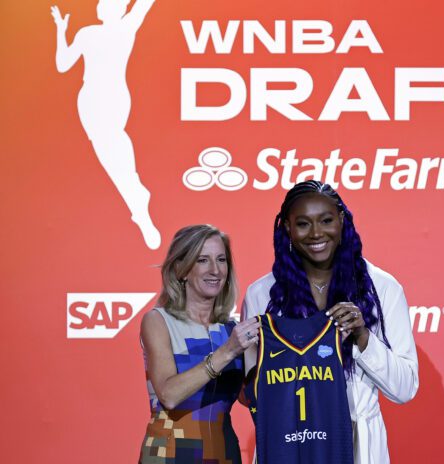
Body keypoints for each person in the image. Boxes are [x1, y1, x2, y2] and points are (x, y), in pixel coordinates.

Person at [243, 181, 419, 464]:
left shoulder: (383, 288)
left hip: (358, 444)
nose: (316, 233)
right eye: (303, 223)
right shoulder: (262, 293)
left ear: (342, 221)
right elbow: (253, 393)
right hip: (289, 443)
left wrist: (362, 337)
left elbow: (404, 388)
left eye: (326, 220)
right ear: (287, 228)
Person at [139, 224, 260, 464]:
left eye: (221, 260)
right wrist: (227, 351)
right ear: (181, 269)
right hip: (169, 454)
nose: (215, 270)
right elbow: (169, 395)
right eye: (203, 260)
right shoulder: (158, 320)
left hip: (224, 453)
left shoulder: (230, 329)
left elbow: (248, 399)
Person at [50, 0, 161, 249]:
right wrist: (60, 29)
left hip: (108, 96)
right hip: (94, 99)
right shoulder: (94, 32)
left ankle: (137, 199)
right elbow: (63, 64)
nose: (102, 6)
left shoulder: (118, 29)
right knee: (110, 149)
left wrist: (61, 31)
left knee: (113, 146)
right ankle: (136, 197)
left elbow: (143, 5)